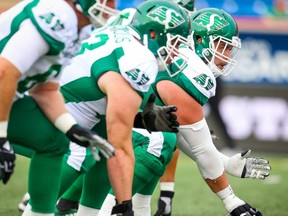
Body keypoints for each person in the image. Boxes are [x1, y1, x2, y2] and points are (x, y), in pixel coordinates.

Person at [55, 1, 190, 215]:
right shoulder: (140, 60)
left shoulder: (122, 31)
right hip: (53, 115)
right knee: (85, 151)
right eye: (174, 42)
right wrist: (125, 205)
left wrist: (139, 118)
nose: (177, 52)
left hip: (63, 104)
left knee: (100, 144)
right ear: (153, 34)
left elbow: (104, 96)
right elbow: (121, 145)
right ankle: (39, 206)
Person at [0, 0, 118, 215]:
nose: (112, 6)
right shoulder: (58, 15)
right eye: (108, 1)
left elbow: (45, 90)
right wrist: (1, 137)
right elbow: (5, 71)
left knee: (56, 141)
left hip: (9, 92)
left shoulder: (77, 29)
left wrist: (72, 129)